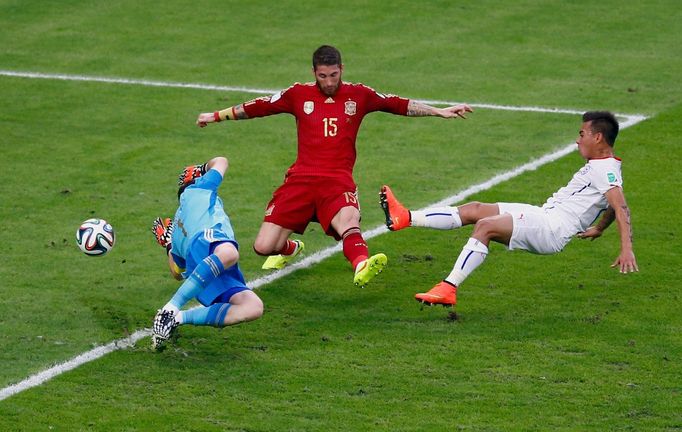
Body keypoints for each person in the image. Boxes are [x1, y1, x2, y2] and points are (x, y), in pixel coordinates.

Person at [196, 45, 473, 288]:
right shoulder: (297, 94)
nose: (328, 82)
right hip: (300, 180)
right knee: (263, 247)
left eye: (334, 75)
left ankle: (362, 264)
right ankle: (291, 249)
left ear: (341, 69)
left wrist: (438, 110)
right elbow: (257, 107)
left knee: (349, 222)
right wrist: (216, 115)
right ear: (314, 72)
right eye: (322, 76)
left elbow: (398, 103)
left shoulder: (359, 95)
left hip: (337, 180)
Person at [380, 111, 638, 307]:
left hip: (551, 229)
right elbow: (614, 205)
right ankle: (406, 218)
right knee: (476, 210)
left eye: (581, 134)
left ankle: (448, 287)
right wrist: (600, 229)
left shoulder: (604, 169)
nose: (577, 140)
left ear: (597, 137)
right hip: (544, 215)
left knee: (486, 226)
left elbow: (621, 206)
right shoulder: (607, 168)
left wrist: (626, 248)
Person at [150, 156, 264, 350]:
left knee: (253, 307)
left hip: (205, 268)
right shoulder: (198, 188)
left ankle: (178, 319)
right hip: (209, 242)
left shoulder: (176, 233)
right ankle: (170, 309)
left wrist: (168, 245)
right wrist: (201, 168)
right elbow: (222, 161)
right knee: (229, 253)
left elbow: (177, 271)